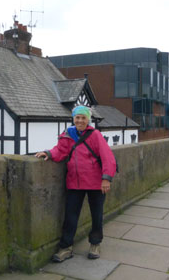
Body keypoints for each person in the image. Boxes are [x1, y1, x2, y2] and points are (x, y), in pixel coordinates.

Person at [35, 105, 117, 262]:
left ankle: (95, 244)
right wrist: (49, 153)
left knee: (96, 215)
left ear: (88, 120)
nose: (80, 120)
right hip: (75, 182)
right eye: (77, 117)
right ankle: (66, 247)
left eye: (83, 118)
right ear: (73, 118)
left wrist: (106, 178)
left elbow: (107, 156)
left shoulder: (95, 135)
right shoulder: (67, 135)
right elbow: (61, 151)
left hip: (96, 183)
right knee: (70, 216)